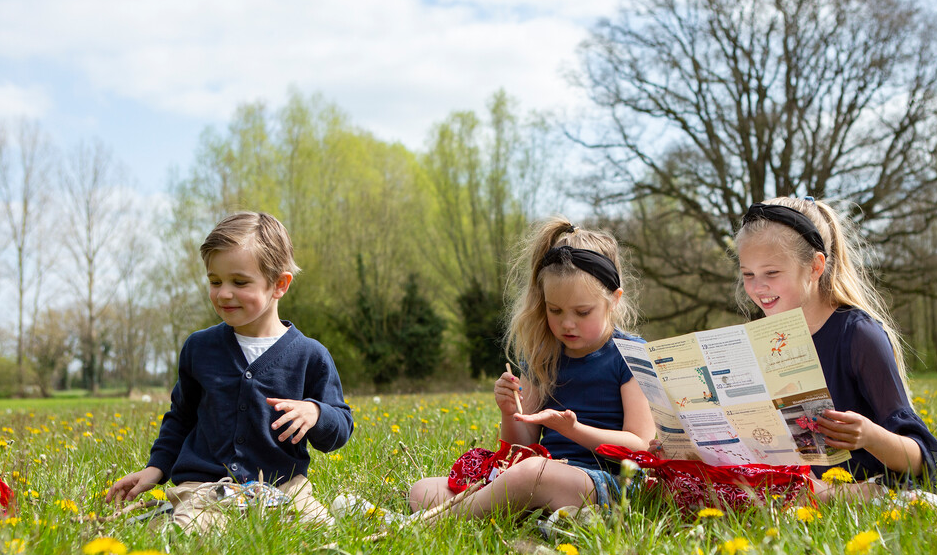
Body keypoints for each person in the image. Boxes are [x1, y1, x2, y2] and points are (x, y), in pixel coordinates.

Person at [106, 211, 354, 531]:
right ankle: (168, 515)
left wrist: (317, 413)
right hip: (204, 488)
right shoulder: (199, 348)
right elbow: (181, 418)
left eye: (239, 282)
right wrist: (157, 468)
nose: (224, 293)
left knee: (319, 533)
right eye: (214, 281)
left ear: (279, 284)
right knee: (189, 533)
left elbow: (341, 425)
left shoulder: (310, 356)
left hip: (283, 487)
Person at [408, 217, 654, 519]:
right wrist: (510, 412)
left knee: (534, 474)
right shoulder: (544, 356)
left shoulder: (631, 354)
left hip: (607, 483)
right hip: (541, 474)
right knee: (422, 491)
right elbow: (520, 446)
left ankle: (431, 524)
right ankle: (543, 519)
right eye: (555, 310)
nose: (566, 323)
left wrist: (574, 430)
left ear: (614, 300)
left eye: (582, 312)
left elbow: (639, 445)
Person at [734, 197, 937, 498]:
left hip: (861, 492)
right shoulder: (766, 339)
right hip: (796, 492)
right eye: (748, 275)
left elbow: (919, 461)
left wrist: (869, 435)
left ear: (815, 267)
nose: (758, 287)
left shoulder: (859, 335)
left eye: (771, 273)